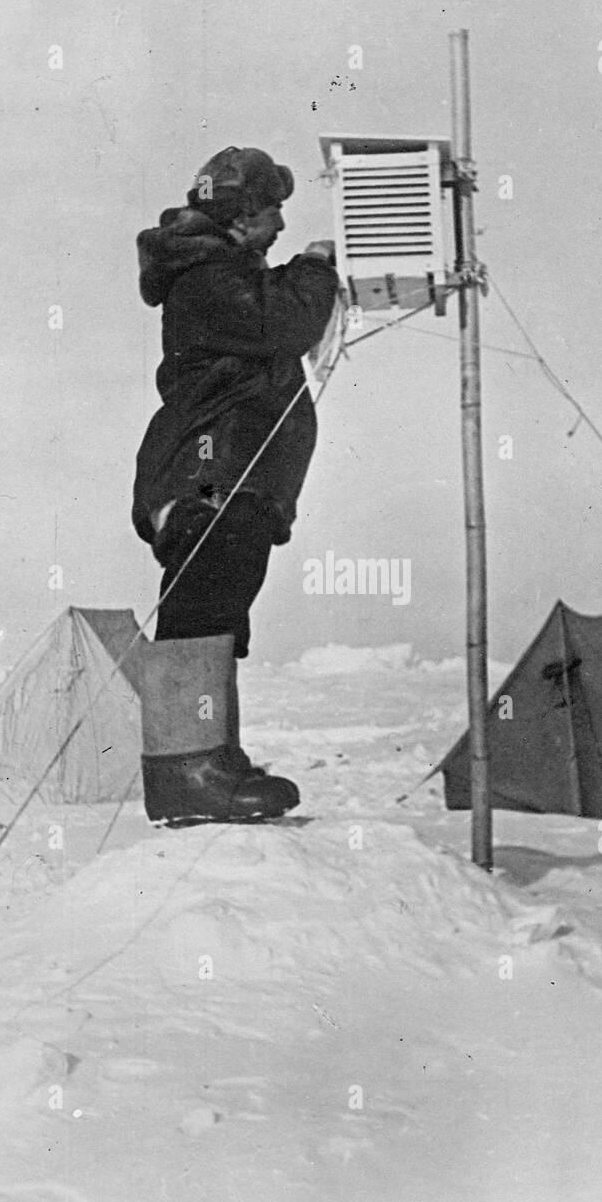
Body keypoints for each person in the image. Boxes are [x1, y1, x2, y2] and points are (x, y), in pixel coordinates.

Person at [132, 147, 339, 823]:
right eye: (272, 209)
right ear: (241, 216)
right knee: (201, 608)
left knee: (219, 609)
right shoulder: (206, 276)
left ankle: (211, 759)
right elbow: (279, 323)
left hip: (225, 471)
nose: (280, 223)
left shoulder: (217, 270)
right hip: (208, 470)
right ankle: (184, 773)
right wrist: (313, 268)